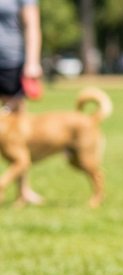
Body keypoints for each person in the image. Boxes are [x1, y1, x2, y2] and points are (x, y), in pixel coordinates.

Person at [0, 0, 43, 204]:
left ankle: (23, 191)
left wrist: (32, 62)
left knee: (17, 135)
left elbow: (32, 25)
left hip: (11, 62)